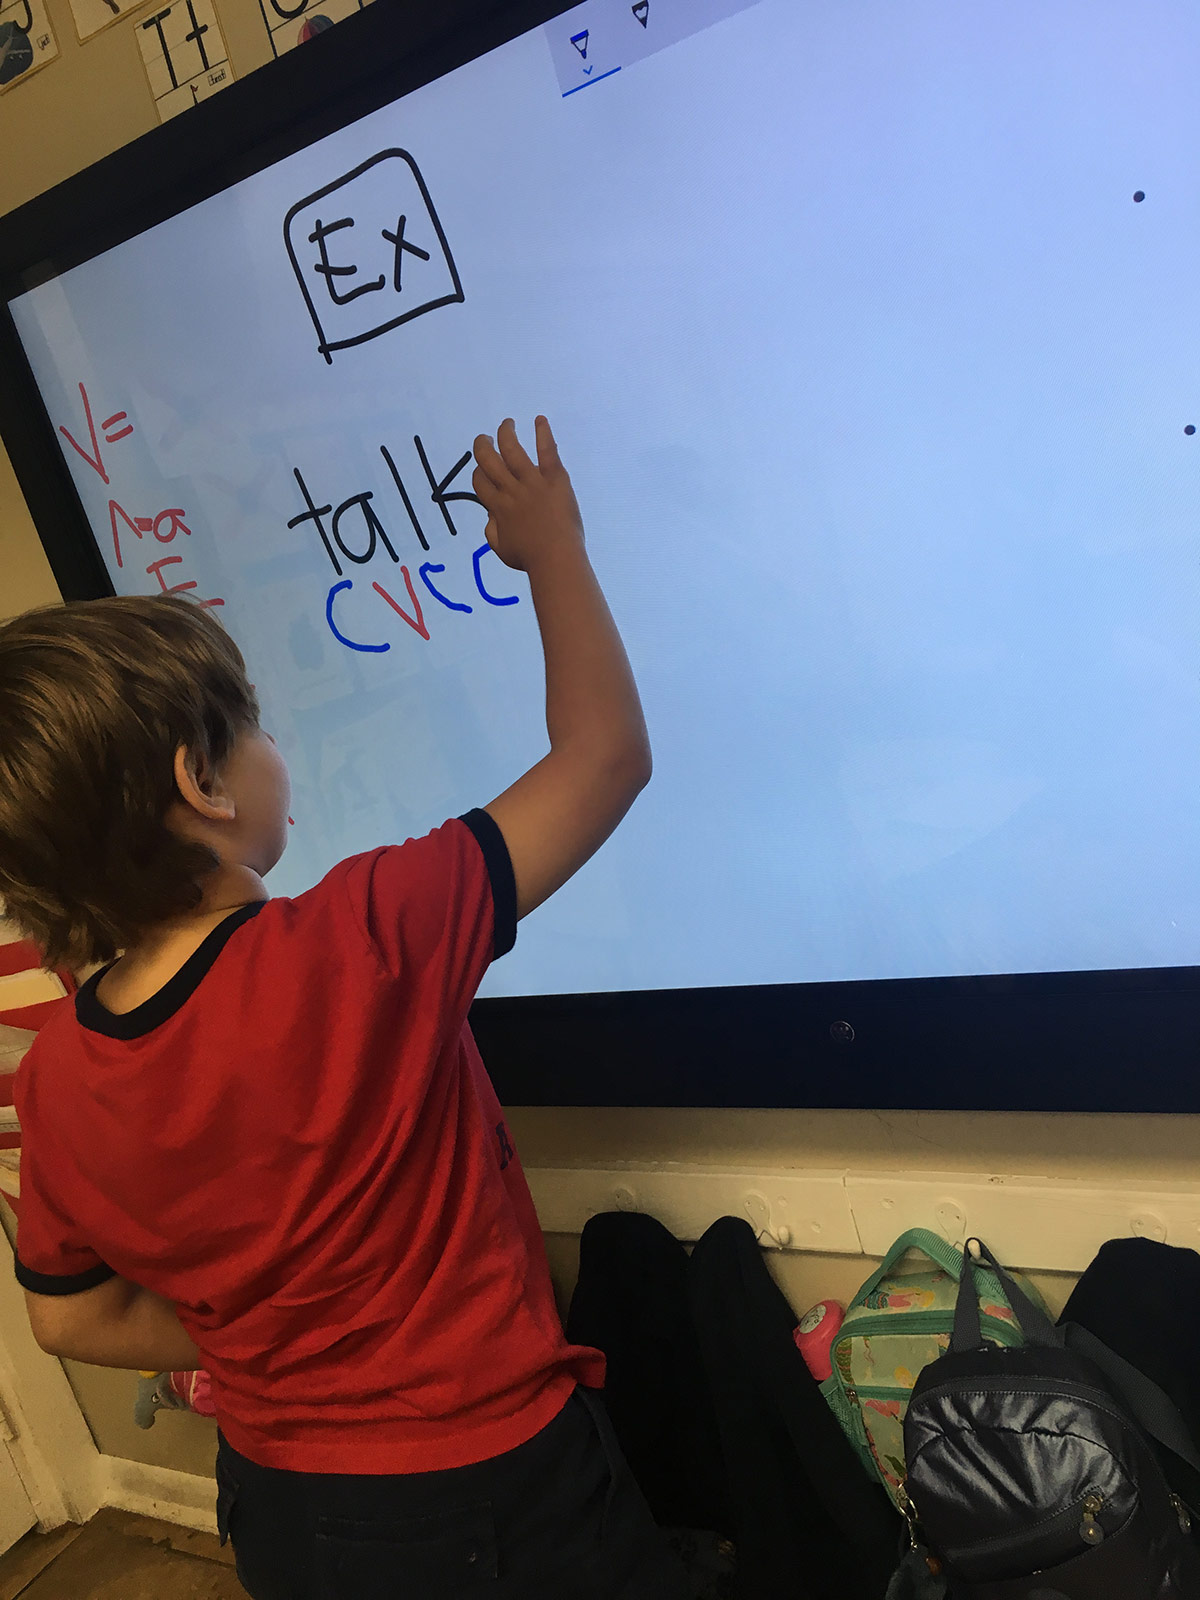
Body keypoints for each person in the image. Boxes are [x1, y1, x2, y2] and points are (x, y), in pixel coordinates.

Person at [1, 418, 686, 1598]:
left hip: (280, 1503)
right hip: (492, 1481)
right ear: (199, 781)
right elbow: (606, 754)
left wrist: (250, 1341)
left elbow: (69, 1319)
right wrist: (552, 549)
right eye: (254, 722)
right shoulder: (364, 934)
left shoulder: (58, 1072)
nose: (275, 747)